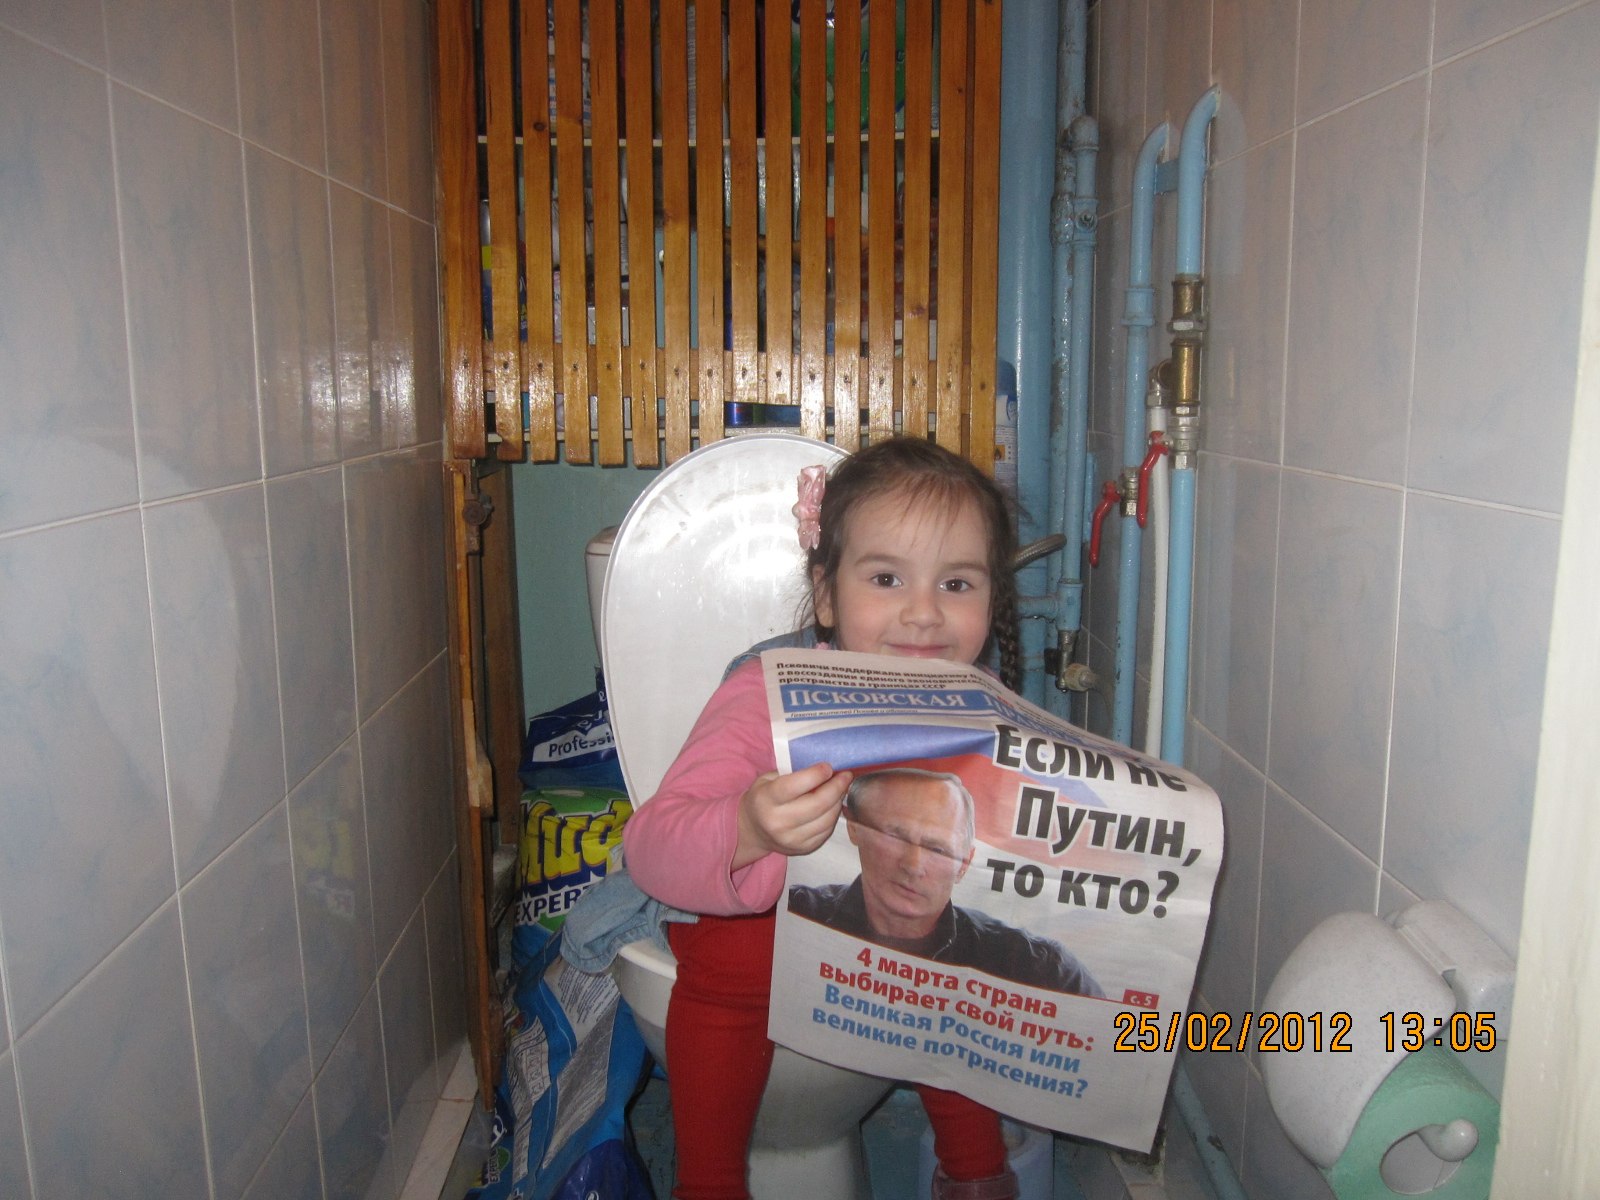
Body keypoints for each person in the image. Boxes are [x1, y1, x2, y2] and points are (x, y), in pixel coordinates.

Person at [624, 436, 1029, 1200]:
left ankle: (975, 1172)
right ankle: (709, 1185)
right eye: (886, 578)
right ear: (827, 596)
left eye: (956, 583)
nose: (924, 613)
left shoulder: (982, 705)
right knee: (733, 952)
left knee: (960, 947)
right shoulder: (764, 694)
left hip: (891, 941)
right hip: (762, 957)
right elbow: (648, 847)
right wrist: (749, 829)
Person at [788, 768, 1103, 998]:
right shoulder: (795, 914)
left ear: (964, 864)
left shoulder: (1039, 968)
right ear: (854, 828)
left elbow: (1124, 1048)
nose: (913, 866)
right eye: (895, 836)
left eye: (937, 849)